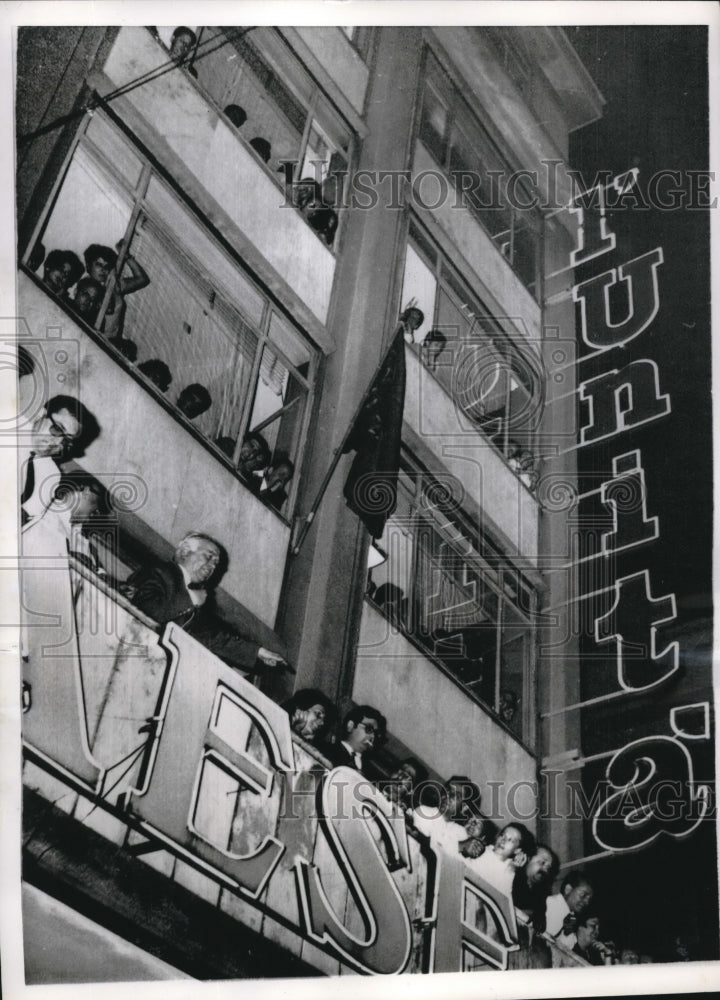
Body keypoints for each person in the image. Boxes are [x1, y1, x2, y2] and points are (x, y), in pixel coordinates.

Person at [126, 531, 288, 676]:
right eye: (209, 556)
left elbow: (212, 638)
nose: (212, 566)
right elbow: (143, 611)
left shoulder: (194, 595)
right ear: (184, 551)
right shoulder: (159, 572)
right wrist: (191, 599)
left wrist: (257, 652)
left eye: (216, 564)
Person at [20, 395, 100, 525]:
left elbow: (28, 519)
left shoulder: (52, 476)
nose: (56, 442)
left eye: (66, 440)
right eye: (57, 429)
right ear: (40, 414)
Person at [83, 242, 150, 337]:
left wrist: (126, 256)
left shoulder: (113, 286)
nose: (103, 269)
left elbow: (142, 279)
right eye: (98, 264)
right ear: (89, 266)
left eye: (106, 266)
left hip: (111, 343)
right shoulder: (83, 288)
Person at [470, 822, 535, 896]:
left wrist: (511, 869)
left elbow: (503, 898)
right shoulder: (480, 848)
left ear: (517, 850)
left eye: (510, 840)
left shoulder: (509, 870)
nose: (503, 841)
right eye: (502, 835)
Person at [325, 705, 386, 776]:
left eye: (376, 733)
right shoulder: (327, 750)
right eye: (369, 729)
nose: (373, 736)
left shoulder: (372, 773)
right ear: (350, 726)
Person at [512, 844, 559, 932]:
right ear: (528, 859)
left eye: (548, 868)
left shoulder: (541, 894)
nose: (544, 870)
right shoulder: (511, 876)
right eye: (542, 863)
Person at [545, 871, 594, 949]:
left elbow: (567, 948)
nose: (586, 902)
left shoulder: (571, 917)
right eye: (583, 895)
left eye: (589, 899)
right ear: (568, 889)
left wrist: (566, 933)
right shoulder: (550, 904)